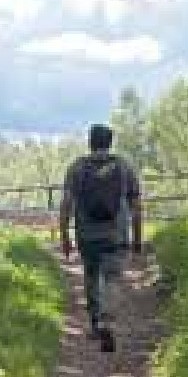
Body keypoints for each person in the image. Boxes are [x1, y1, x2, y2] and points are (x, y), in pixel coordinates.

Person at [59, 123, 143, 352]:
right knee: (112, 278)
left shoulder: (77, 167)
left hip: (87, 234)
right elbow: (136, 205)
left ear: (90, 142)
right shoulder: (124, 167)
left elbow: (67, 203)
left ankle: (96, 323)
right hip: (116, 233)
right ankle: (107, 319)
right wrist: (137, 238)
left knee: (91, 275)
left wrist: (64, 235)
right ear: (110, 142)